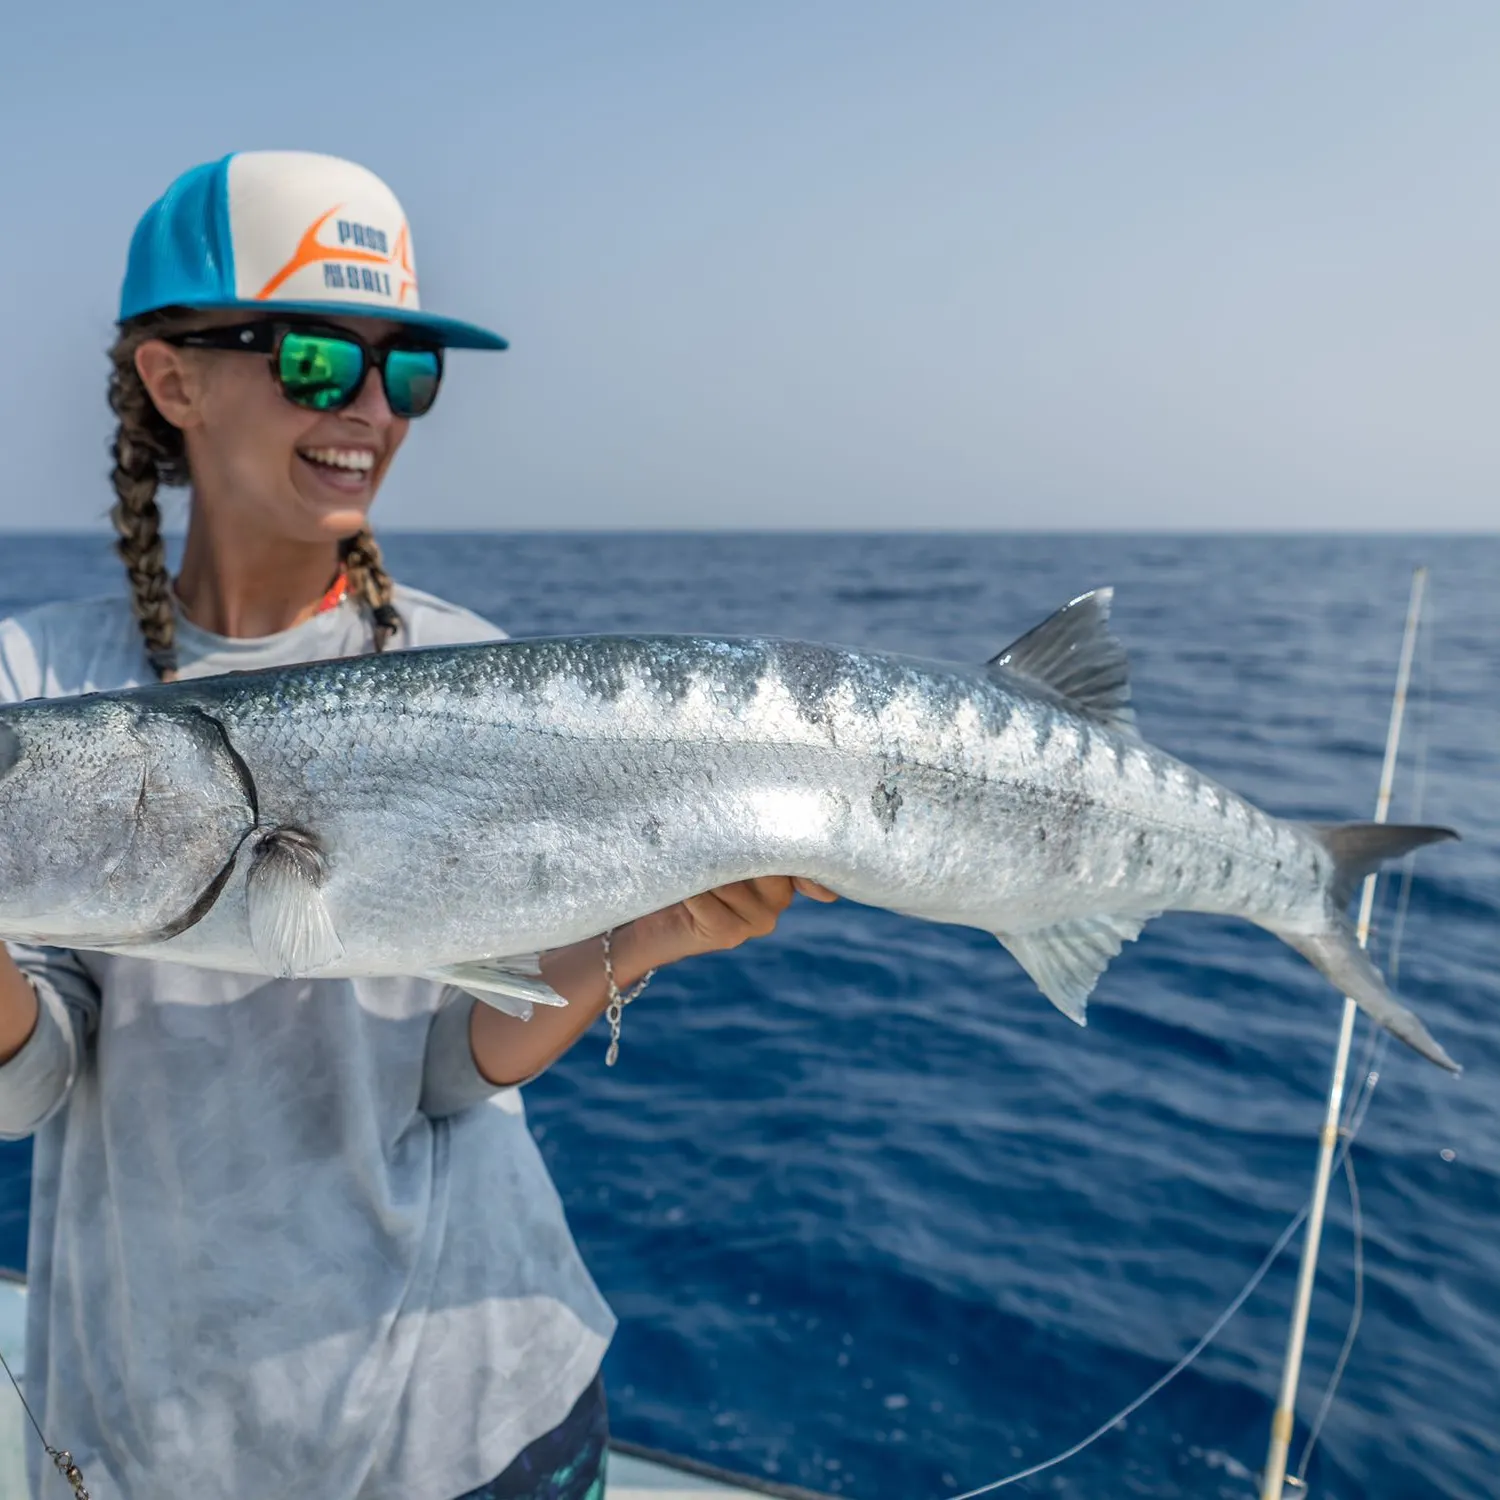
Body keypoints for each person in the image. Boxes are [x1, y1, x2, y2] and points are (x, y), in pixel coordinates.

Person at [0, 150, 834, 1500]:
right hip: (160, 1442)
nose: (374, 411)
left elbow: (452, 1067)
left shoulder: (471, 668)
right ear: (173, 379)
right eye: (323, 361)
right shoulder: (33, 691)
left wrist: (648, 939)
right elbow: (27, 1084)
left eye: (411, 372)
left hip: (486, 1417)